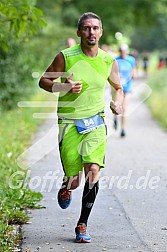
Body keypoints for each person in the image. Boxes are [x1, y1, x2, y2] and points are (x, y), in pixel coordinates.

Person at [39, 12, 123, 243]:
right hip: (68, 122)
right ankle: (67, 185)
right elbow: (44, 81)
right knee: (74, 180)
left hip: (95, 121)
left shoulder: (108, 60)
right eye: (86, 28)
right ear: (79, 32)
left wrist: (118, 102)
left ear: (101, 32)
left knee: (93, 170)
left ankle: (82, 224)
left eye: (95, 28)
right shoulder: (65, 57)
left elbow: (118, 87)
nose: (91, 32)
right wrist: (63, 88)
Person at [114, 44, 136, 137]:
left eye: (125, 51)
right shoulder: (116, 60)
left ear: (127, 51)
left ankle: (123, 129)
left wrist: (134, 74)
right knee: (117, 107)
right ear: (120, 51)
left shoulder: (131, 60)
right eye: (122, 51)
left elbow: (134, 71)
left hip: (128, 88)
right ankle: (115, 119)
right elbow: (113, 73)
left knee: (125, 108)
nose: (123, 53)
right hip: (118, 88)